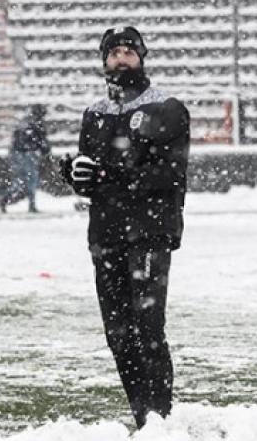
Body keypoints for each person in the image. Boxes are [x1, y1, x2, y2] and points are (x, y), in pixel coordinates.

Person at [58, 26, 190, 428]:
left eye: (128, 51)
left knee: (148, 325)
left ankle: (159, 418)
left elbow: (168, 174)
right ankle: (142, 416)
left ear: (142, 57)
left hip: (150, 230)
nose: (121, 58)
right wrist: (75, 175)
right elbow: (93, 177)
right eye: (114, 52)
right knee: (117, 331)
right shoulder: (94, 114)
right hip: (106, 233)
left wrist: (109, 174)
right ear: (103, 61)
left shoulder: (167, 109)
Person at [0, 104, 51, 213]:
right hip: (28, 153)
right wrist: (46, 152)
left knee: (19, 179)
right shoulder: (37, 124)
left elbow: (17, 137)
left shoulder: (24, 122)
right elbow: (41, 141)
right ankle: (31, 204)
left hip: (16, 153)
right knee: (31, 179)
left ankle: (5, 199)